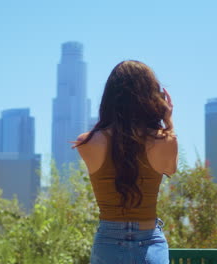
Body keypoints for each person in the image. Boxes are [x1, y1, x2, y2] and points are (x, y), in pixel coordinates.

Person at [72, 60, 178, 264]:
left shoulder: (86, 142)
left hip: (108, 246)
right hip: (150, 244)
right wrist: (169, 123)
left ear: (110, 98)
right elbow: (170, 169)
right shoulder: (165, 140)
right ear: (153, 97)